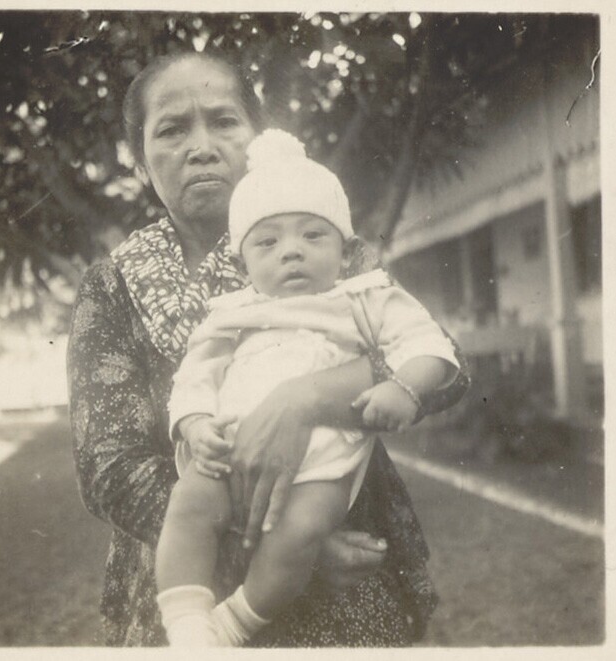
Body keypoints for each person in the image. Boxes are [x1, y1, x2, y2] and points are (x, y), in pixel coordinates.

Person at [67, 49, 470, 647]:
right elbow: (109, 467)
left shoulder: (326, 246)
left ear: (256, 136)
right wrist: (282, 547)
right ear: (141, 159)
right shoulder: (114, 283)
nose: (201, 147)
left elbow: (443, 364)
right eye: (172, 129)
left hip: (338, 552)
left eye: (223, 121)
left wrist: (304, 399)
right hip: (191, 576)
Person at [157, 129, 461, 647]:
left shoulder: (364, 298)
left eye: (313, 236)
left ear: (346, 252)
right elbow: (195, 374)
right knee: (188, 504)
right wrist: (195, 422)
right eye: (268, 242)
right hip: (230, 451)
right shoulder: (232, 313)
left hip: (324, 463)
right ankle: (186, 625)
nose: (291, 253)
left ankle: (232, 625)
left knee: (300, 534)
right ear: (243, 264)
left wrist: (405, 388)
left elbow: (430, 344)